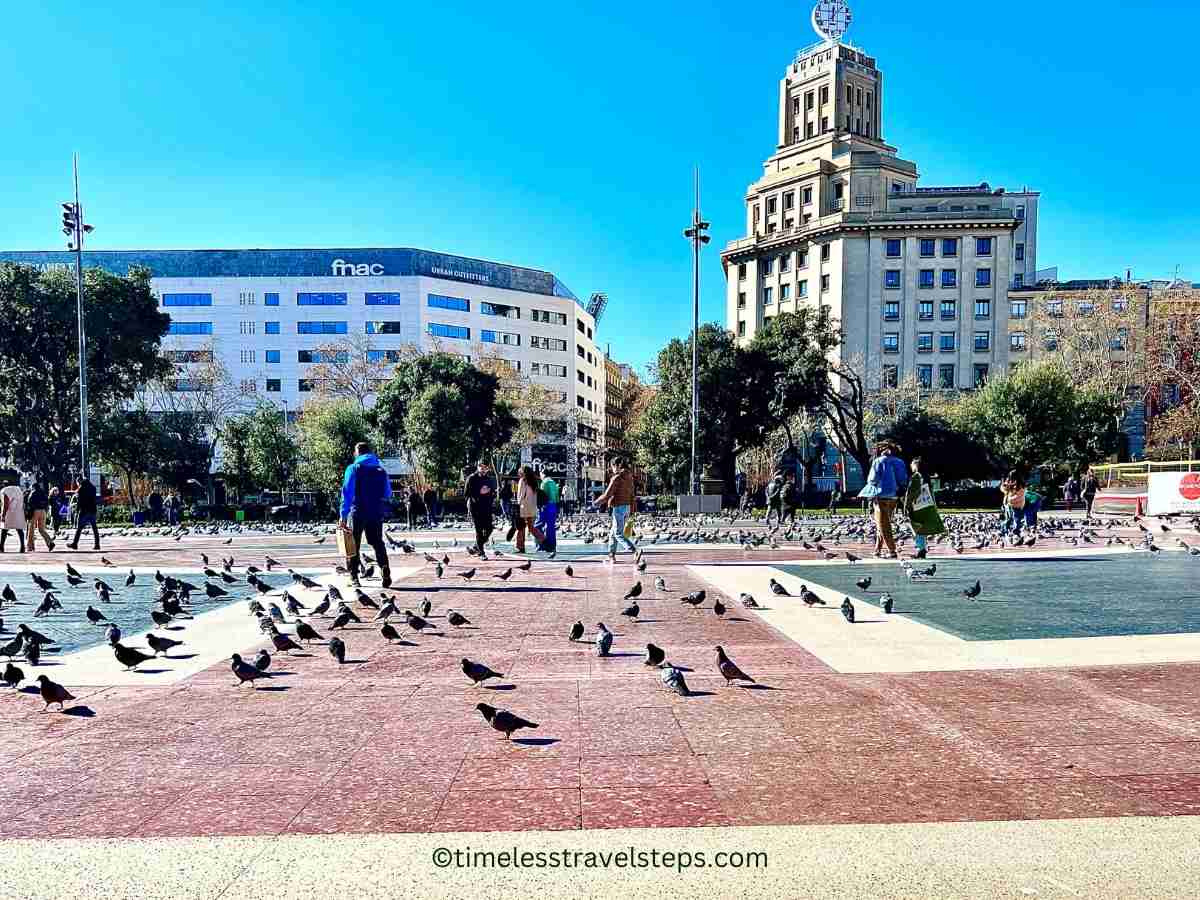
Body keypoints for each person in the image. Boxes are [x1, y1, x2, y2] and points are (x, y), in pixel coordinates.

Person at [339, 441, 392, 588]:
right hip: (375, 512)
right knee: (377, 542)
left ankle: (354, 575)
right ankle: (384, 567)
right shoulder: (381, 470)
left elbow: (347, 493)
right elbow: (387, 493)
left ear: (357, 453)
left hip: (357, 511)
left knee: (352, 544)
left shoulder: (353, 468)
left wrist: (343, 515)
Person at [858, 443, 901, 558]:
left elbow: (872, 479)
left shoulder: (878, 461)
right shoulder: (899, 462)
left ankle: (892, 550)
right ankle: (877, 548)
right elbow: (903, 479)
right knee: (883, 523)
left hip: (880, 495)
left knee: (883, 524)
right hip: (894, 497)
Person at [596, 457, 637, 563]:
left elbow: (607, 495)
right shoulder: (629, 477)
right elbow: (632, 494)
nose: (612, 469)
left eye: (612, 466)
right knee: (613, 532)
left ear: (618, 465)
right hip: (627, 507)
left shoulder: (617, 478)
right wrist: (632, 510)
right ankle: (611, 555)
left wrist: (596, 502)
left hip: (618, 507)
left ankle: (634, 550)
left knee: (618, 533)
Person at [902, 457, 944, 559]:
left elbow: (911, 493)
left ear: (916, 466)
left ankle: (921, 549)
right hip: (927, 506)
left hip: (917, 507)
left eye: (912, 464)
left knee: (917, 528)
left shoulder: (916, 477)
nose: (911, 466)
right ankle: (922, 549)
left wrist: (906, 506)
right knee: (922, 529)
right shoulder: (926, 477)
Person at [464, 461, 497, 557]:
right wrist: (479, 492)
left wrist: (491, 494)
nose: (483, 469)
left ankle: (477, 546)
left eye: (485, 467)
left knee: (489, 528)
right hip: (475, 507)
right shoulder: (471, 478)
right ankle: (482, 552)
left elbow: (492, 493)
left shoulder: (489, 479)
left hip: (487, 507)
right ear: (478, 467)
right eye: (481, 467)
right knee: (479, 530)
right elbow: (466, 494)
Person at [513, 465, 545, 553]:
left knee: (521, 528)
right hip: (533, 507)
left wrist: (518, 504)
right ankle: (544, 541)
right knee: (531, 528)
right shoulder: (534, 481)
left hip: (524, 507)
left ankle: (520, 546)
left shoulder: (522, 481)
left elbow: (521, 495)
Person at [68, 475, 101, 551]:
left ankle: (75, 544)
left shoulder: (81, 488)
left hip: (84, 511)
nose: (77, 484)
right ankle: (97, 544)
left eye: (77, 483)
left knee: (79, 528)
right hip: (92, 510)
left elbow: (80, 501)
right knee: (94, 528)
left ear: (79, 481)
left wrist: (77, 510)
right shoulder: (93, 487)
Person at [25, 480, 55, 552]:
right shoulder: (43, 493)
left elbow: (30, 503)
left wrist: (28, 514)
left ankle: (30, 546)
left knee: (31, 529)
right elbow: (47, 502)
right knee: (42, 529)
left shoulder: (33, 493)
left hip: (35, 511)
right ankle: (50, 542)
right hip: (43, 511)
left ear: (33, 487)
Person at [0, 477, 26, 553]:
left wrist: (3, 515)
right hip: (19, 512)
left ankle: (1, 547)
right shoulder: (19, 490)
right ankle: (22, 547)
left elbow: (6, 504)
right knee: (19, 530)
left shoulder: (5, 490)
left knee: (4, 530)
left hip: (9, 513)